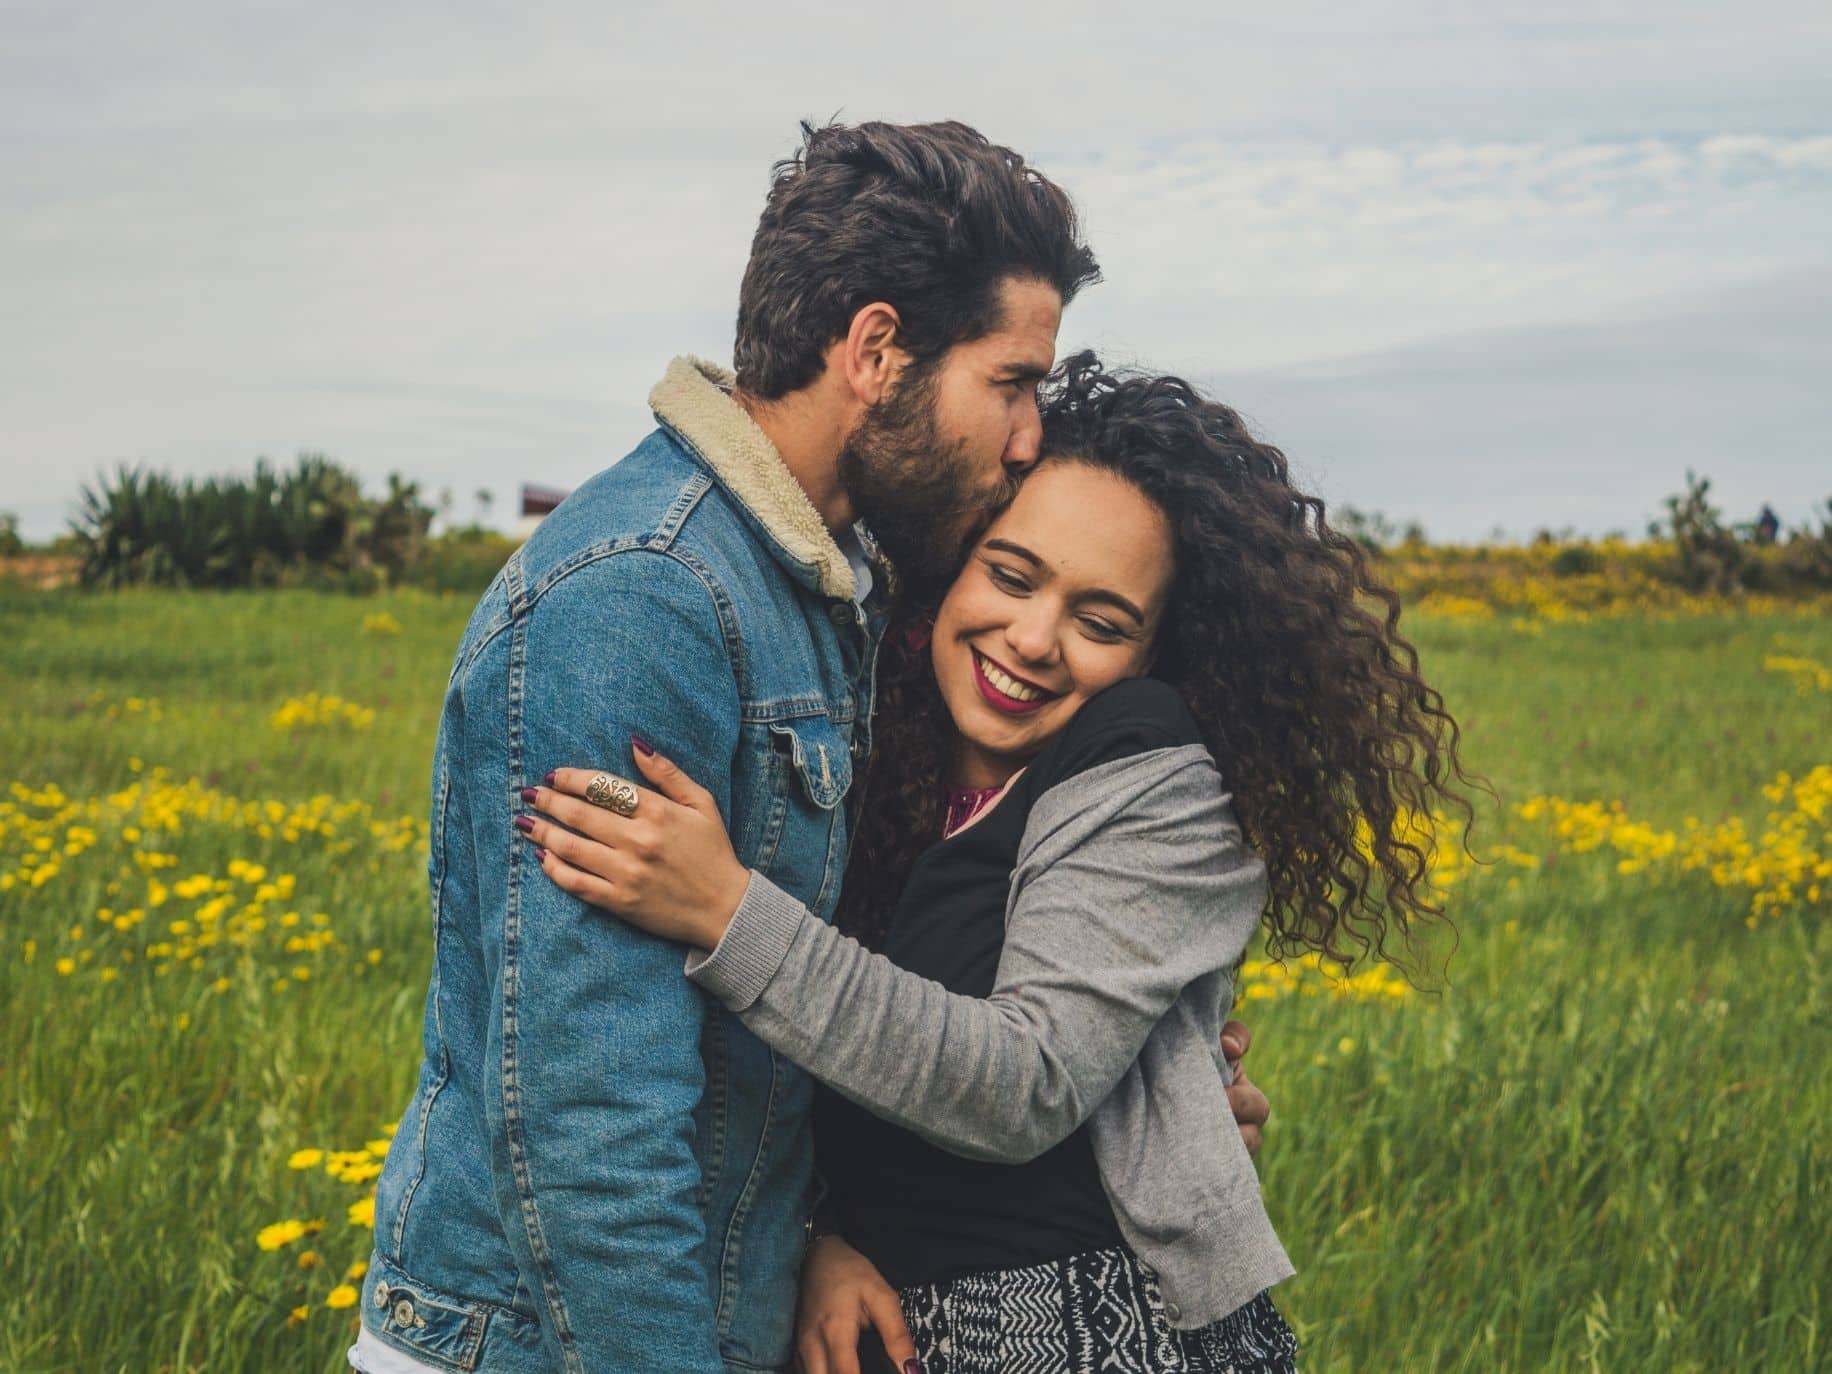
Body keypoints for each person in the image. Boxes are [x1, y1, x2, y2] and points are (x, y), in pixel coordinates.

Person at [352, 122, 1270, 1374]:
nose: (1024, 438)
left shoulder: (833, 587)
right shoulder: (645, 596)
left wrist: (816, 1235)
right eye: (1009, 383)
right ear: (876, 352)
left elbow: (789, 1044)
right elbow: (587, 1125)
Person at [522, 356, 1475, 1373]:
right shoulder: (865, 762)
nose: (1031, 639)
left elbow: (1019, 1083)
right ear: (946, 572)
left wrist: (722, 909)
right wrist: (815, 1238)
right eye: (1011, 575)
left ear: (1150, 655)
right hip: (873, 1322)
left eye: (1099, 621)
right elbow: (804, 1066)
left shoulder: (1152, 772)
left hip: (1093, 1334)